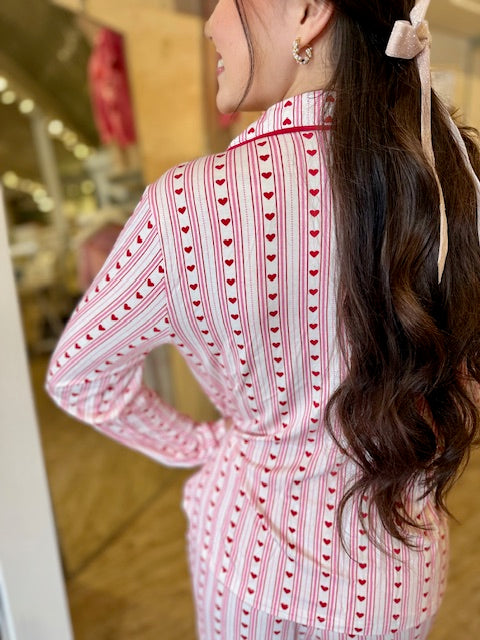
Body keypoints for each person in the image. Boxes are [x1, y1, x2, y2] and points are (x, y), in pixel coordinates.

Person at [46, 0, 480, 638]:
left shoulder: (189, 208)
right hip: (398, 583)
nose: (211, 22)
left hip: (252, 569)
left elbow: (78, 376)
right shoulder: (453, 184)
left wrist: (204, 445)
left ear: (307, 11)